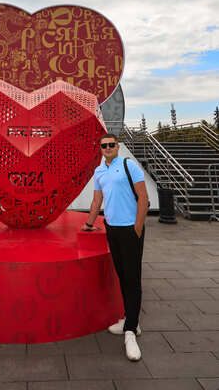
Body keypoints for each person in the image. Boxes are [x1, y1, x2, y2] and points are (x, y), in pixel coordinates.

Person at [82, 133, 149, 362]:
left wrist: (137, 227)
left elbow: (143, 197)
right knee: (122, 275)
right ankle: (131, 319)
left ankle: (130, 332)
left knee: (132, 278)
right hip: (112, 229)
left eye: (111, 145)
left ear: (117, 146)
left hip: (130, 230)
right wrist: (89, 224)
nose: (108, 148)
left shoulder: (129, 165)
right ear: (100, 149)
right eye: (104, 146)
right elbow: (97, 201)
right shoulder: (99, 172)